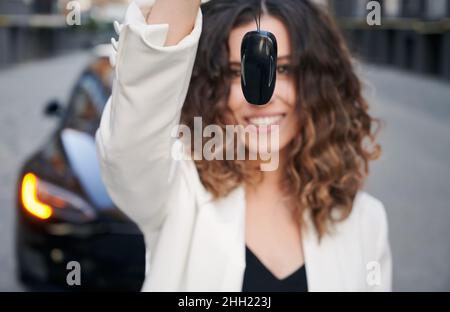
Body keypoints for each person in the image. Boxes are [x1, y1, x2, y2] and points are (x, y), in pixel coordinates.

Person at [95, 0, 392, 291]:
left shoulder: (365, 221)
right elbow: (133, 134)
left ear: (320, 85)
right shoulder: (180, 193)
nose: (262, 95)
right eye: (237, 72)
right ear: (206, 88)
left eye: (285, 69)